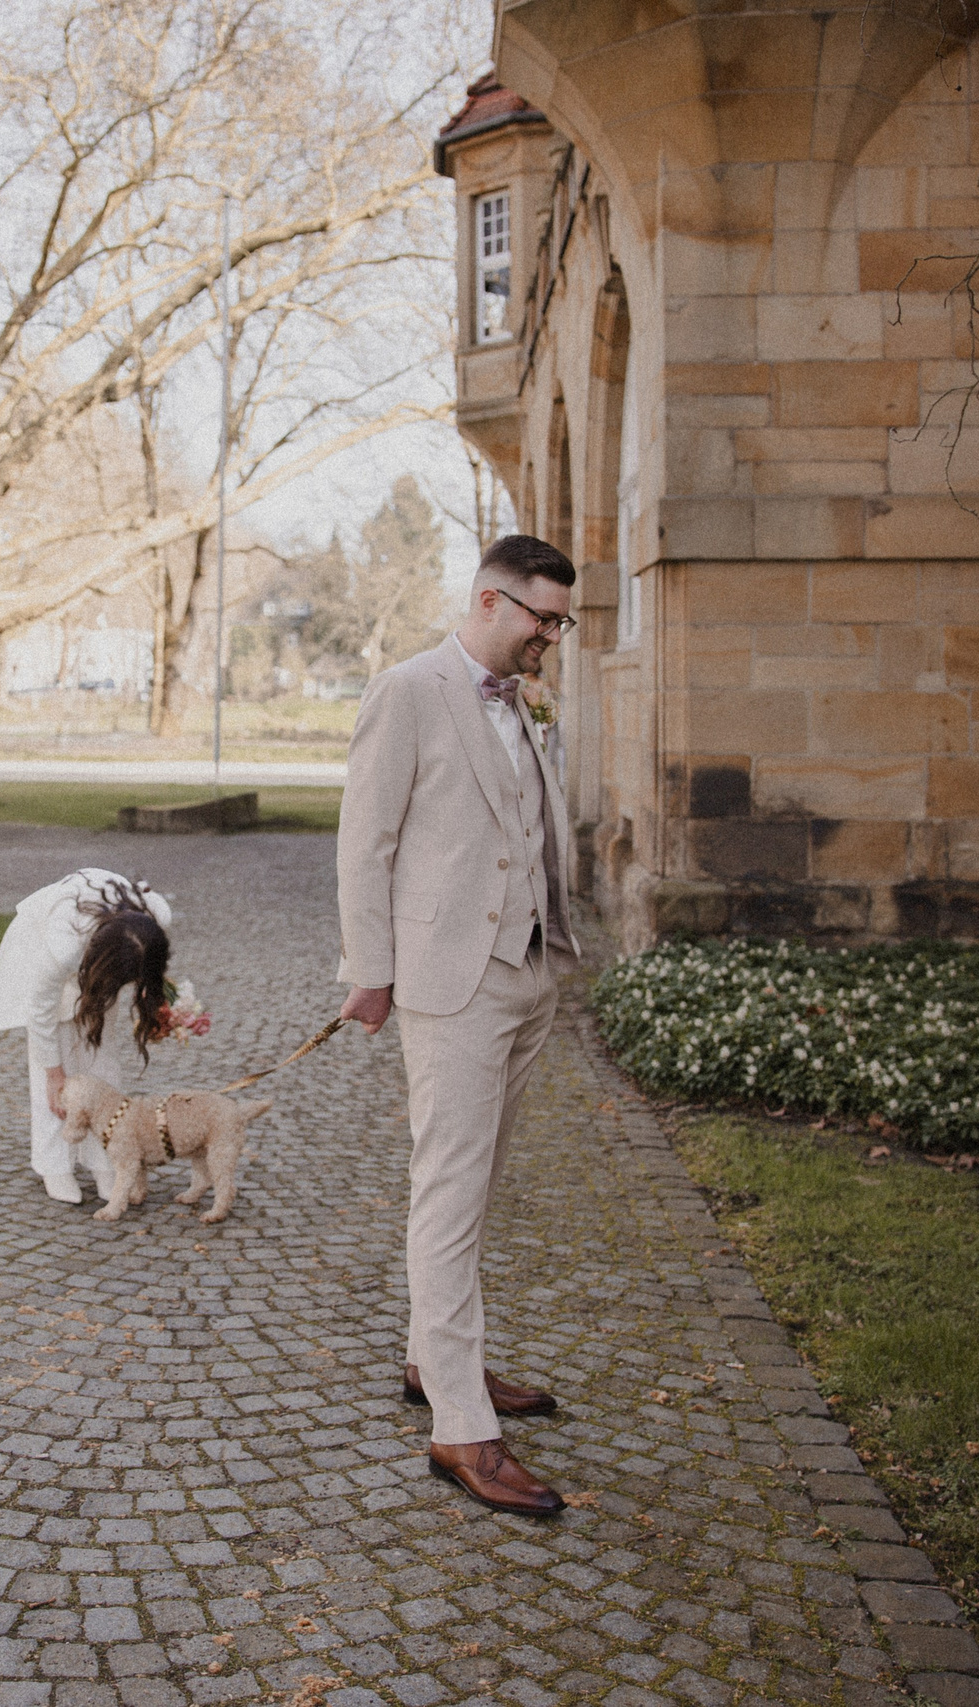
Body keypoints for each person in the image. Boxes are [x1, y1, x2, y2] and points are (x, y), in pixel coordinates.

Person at [335, 532, 582, 1516]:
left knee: (476, 1185)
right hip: (449, 985)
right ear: (488, 601)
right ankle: (461, 1428)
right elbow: (366, 842)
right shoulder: (408, 691)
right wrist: (369, 971)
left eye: (560, 622)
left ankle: (435, 1363)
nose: (550, 639)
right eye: (542, 619)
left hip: (526, 975)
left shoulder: (517, 701)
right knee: (446, 1187)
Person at [0, 868, 176, 1202]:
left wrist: (155, 1002)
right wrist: (53, 1073)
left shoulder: (155, 919)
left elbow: (149, 968)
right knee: (56, 1074)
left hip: (104, 956)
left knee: (103, 1065)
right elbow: (39, 1011)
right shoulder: (63, 945)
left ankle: (104, 1160)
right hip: (45, 951)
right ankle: (55, 1166)